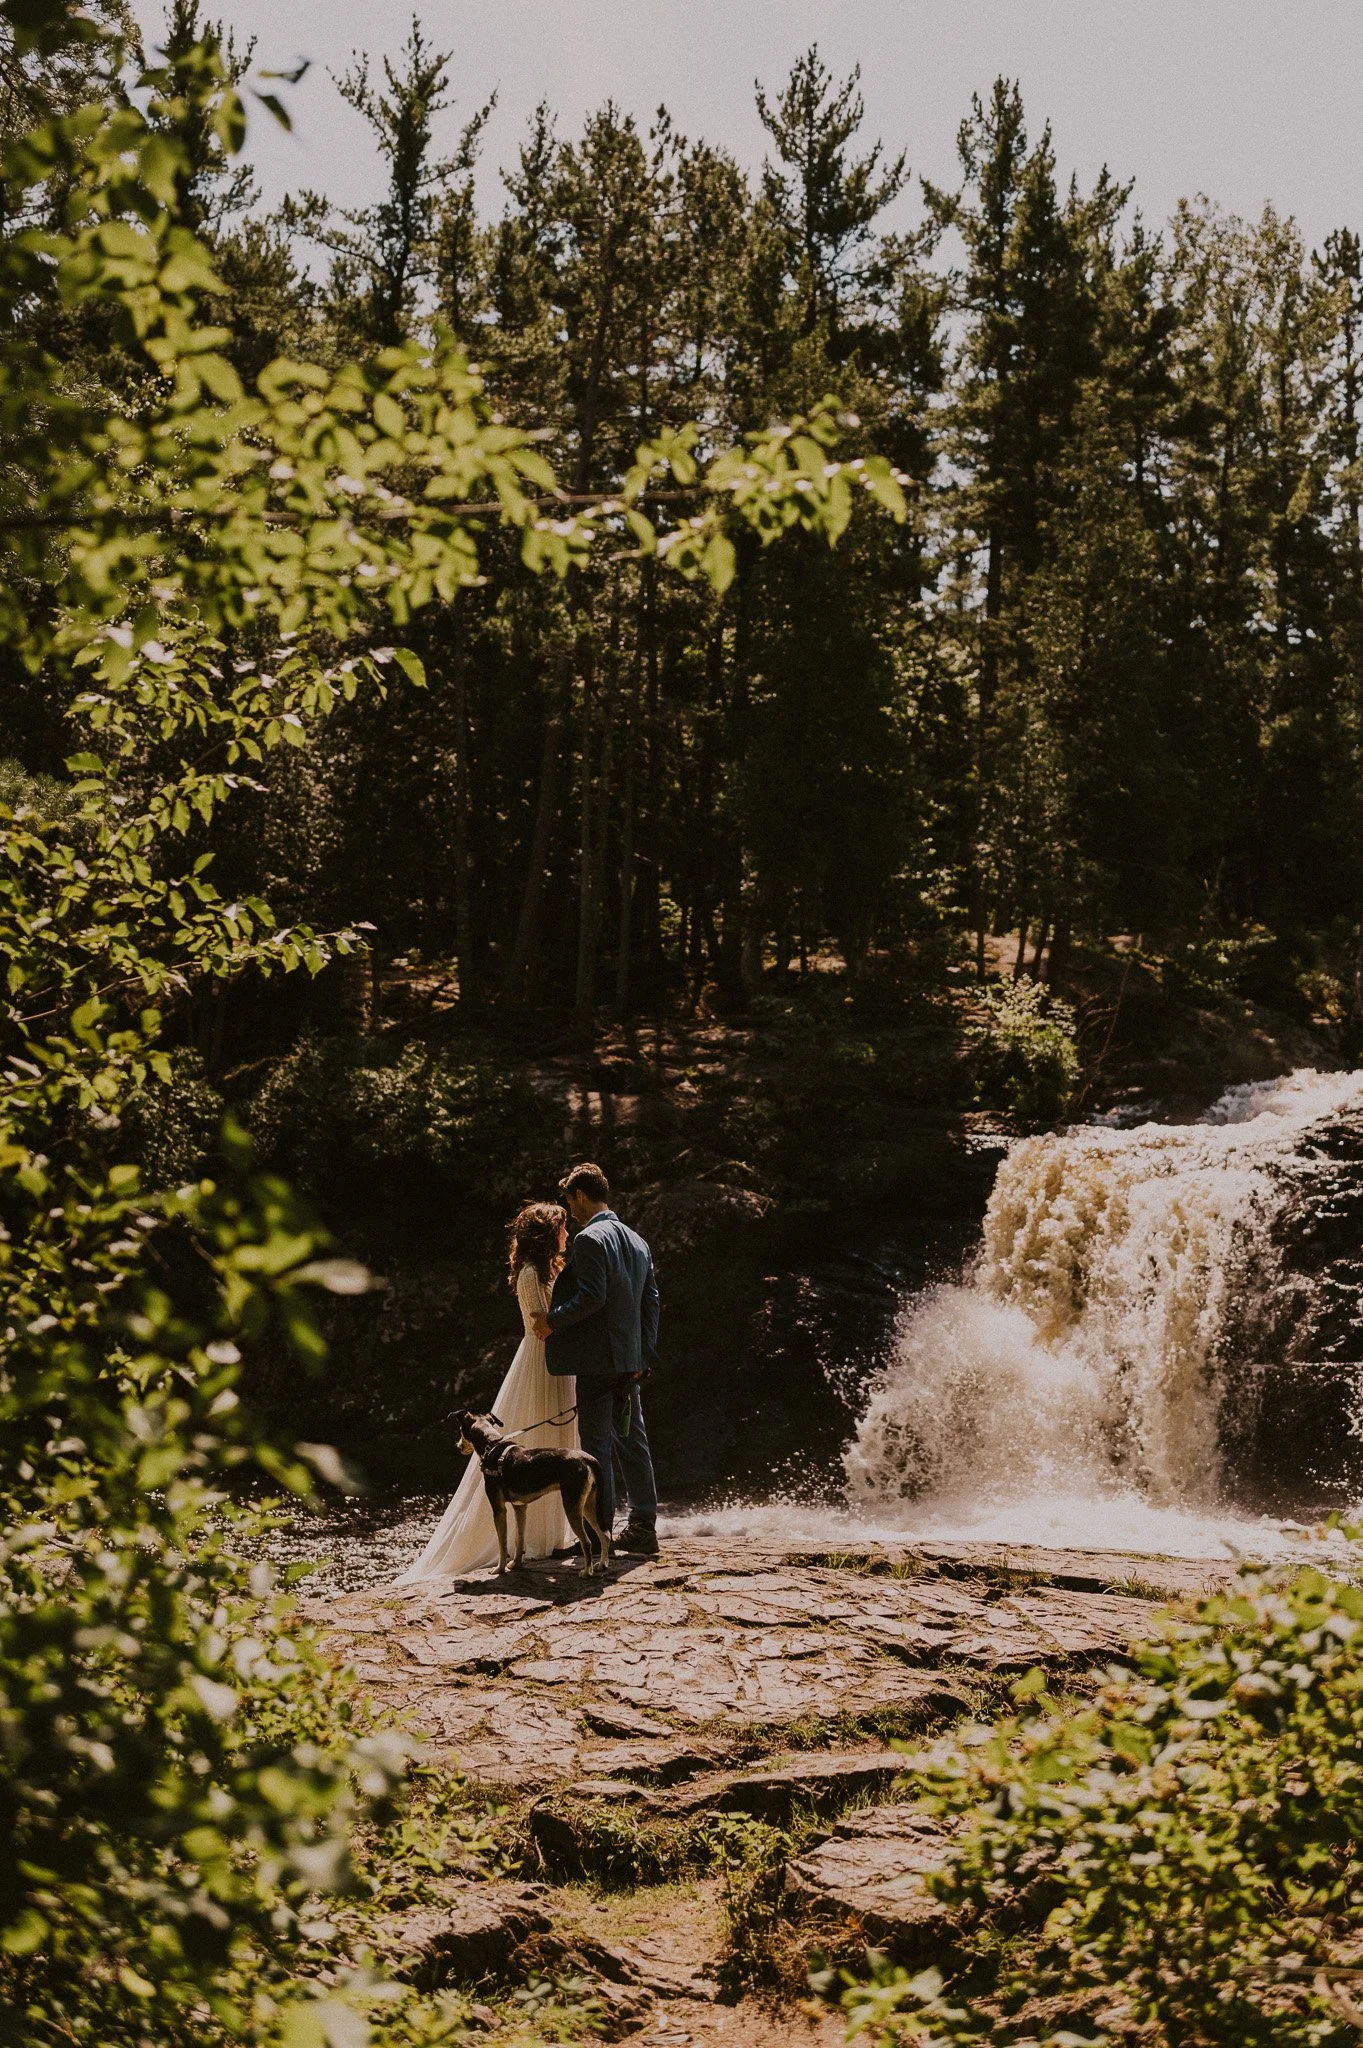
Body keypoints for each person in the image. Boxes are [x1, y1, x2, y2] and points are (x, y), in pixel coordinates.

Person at [394, 1202, 576, 1582]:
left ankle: (556, 1534)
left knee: (559, 1442)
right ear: (545, 1234)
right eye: (561, 1228)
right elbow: (541, 1327)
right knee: (538, 1441)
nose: (566, 1234)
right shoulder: (530, 1274)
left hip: (560, 1364)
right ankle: (530, 1541)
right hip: (540, 1364)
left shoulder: (553, 1270)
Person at [534, 1161, 660, 1555]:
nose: (571, 1211)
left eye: (570, 1202)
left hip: (597, 1360)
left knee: (596, 1446)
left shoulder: (590, 1239)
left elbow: (592, 1296)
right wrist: (644, 1354)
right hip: (628, 1360)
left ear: (581, 1195)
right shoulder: (637, 1240)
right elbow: (650, 1302)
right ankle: (643, 1526)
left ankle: (597, 1534)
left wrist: (553, 1322)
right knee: (632, 1440)